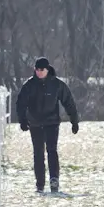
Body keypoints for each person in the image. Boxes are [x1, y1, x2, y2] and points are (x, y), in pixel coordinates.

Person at [16, 57, 79, 193]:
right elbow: (21, 103)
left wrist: (74, 120)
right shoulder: (29, 85)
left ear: (47, 69)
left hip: (52, 123)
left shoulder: (57, 85)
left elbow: (68, 102)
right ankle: (40, 183)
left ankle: (54, 179)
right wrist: (22, 120)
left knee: (52, 150)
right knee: (38, 153)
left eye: (41, 70)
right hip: (35, 123)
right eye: (36, 70)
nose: (39, 72)